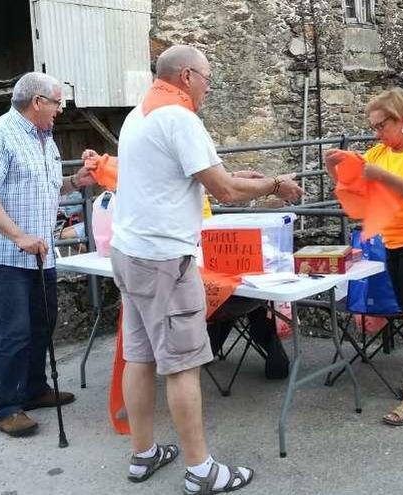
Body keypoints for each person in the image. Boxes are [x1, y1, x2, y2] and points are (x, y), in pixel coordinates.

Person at [110, 45, 302, 493]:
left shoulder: (139, 113)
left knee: (138, 357)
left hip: (129, 251)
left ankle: (143, 454)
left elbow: (191, 175)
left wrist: (238, 177)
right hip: (164, 259)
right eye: (207, 78)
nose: (209, 88)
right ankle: (202, 471)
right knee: (182, 365)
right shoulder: (180, 117)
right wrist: (273, 183)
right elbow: (226, 191)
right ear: (187, 76)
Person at [0, 72, 97, 437]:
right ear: (37, 101)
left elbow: (49, 188)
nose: (60, 109)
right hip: (8, 255)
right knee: (13, 333)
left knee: (42, 324)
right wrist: (18, 235)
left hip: (41, 254)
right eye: (57, 102)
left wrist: (77, 182)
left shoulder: (45, 139)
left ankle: (34, 389)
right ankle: (7, 407)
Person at [324, 87, 403, 427]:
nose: (376, 133)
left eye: (381, 126)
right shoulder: (379, 153)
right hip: (395, 242)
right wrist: (332, 167)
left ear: (402, 120)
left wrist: (381, 175)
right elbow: (353, 189)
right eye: (374, 127)